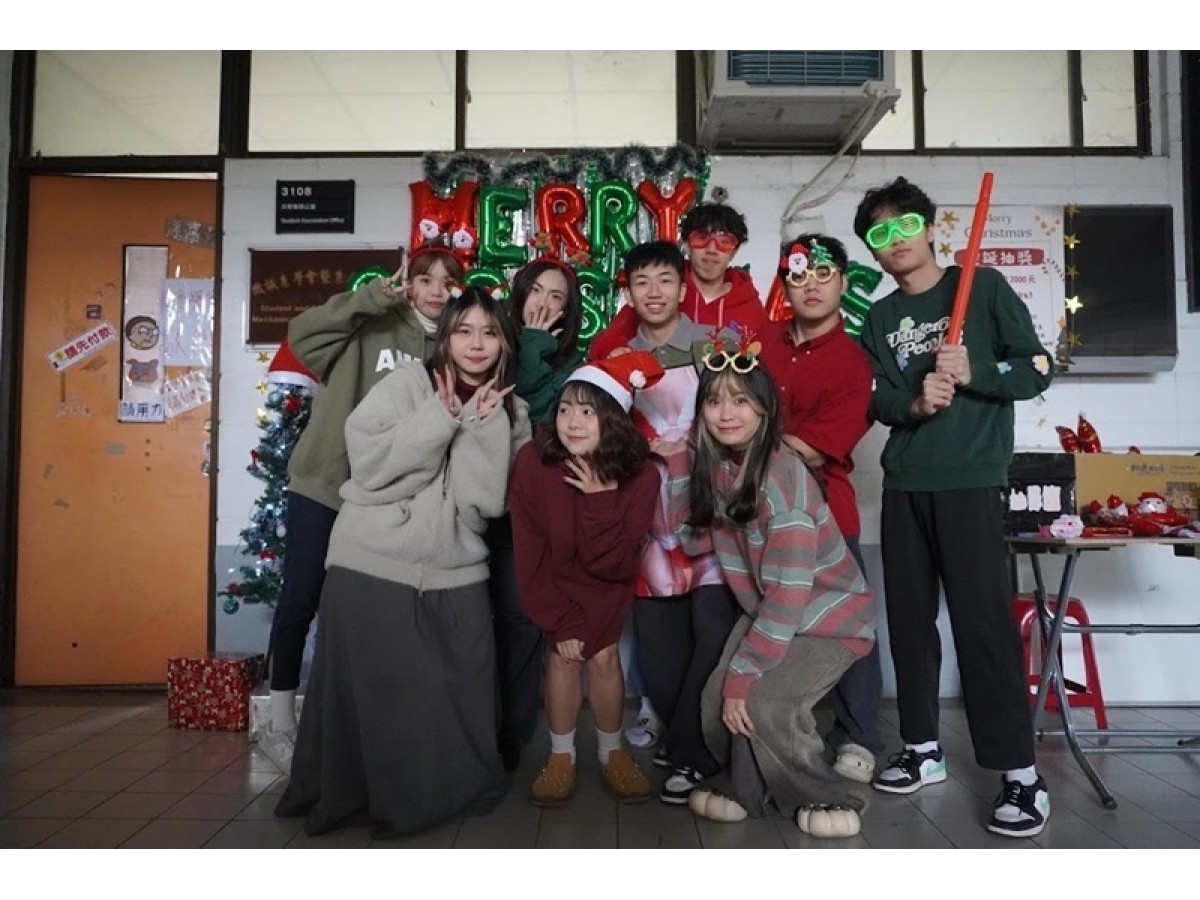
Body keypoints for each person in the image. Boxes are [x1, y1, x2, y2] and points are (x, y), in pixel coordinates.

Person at [274, 288, 531, 838]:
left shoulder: (513, 412)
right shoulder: (405, 384)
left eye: (490, 332)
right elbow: (371, 469)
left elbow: (482, 505)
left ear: (505, 342)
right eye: (464, 331)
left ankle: (443, 792)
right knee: (374, 695)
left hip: (456, 568)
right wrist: (440, 419)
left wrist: (481, 428)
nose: (477, 344)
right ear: (446, 336)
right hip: (370, 561)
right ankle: (353, 796)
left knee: (456, 686)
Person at [854, 176, 1055, 838]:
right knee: (909, 625)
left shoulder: (984, 288)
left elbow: (1038, 368)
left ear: (929, 227)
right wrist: (913, 403)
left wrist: (978, 374)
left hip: (970, 479)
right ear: (873, 250)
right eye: (880, 233)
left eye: (904, 225)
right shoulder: (880, 318)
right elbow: (874, 398)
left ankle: (1021, 775)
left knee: (982, 626)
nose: (895, 240)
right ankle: (921, 748)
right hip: (906, 481)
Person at [260, 246, 464, 774]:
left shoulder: (457, 347)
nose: (436, 290)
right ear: (409, 284)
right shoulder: (369, 323)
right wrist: (369, 298)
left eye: (447, 281)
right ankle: (278, 722)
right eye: (425, 279)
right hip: (327, 483)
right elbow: (302, 337)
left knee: (368, 612)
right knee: (300, 598)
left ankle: (360, 725)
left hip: (388, 500)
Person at [661, 347, 877, 838]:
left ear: (764, 408)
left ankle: (817, 790)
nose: (726, 413)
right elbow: (693, 542)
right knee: (716, 697)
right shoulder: (721, 468)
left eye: (741, 400)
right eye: (714, 401)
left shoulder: (783, 481)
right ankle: (745, 784)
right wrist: (678, 467)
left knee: (762, 701)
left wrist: (744, 676)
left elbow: (788, 600)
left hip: (828, 623)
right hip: (773, 613)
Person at [591, 240, 741, 806]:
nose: (654, 292)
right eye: (642, 282)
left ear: (683, 286)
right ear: (628, 291)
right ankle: (684, 741)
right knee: (657, 649)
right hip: (649, 518)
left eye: (665, 280)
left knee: (712, 637)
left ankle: (695, 752)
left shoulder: (717, 347)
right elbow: (598, 437)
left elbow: (745, 419)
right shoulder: (613, 359)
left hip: (710, 513)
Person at [509, 351, 664, 807]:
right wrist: (559, 619)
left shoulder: (641, 475)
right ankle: (561, 757)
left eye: (587, 412)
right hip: (552, 583)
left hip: (606, 586)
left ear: (612, 418)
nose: (572, 423)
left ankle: (611, 753)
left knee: (603, 656)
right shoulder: (533, 463)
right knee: (562, 655)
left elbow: (617, 566)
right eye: (564, 409)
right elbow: (529, 552)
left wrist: (601, 500)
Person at [757, 234, 883, 784]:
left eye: (823, 275)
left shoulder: (853, 363)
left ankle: (860, 736)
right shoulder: (759, 342)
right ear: (785, 285)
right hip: (756, 515)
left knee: (848, 625)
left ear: (843, 283)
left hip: (826, 515)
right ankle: (763, 727)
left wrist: (742, 444)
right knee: (760, 619)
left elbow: (811, 448)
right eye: (799, 275)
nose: (811, 286)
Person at [487, 258, 586, 771]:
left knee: (519, 624)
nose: (544, 303)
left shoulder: (573, 365)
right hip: (476, 507)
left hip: (525, 517)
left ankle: (510, 737)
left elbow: (535, 404)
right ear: (520, 293)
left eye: (557, 297)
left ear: (568, 311)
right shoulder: (489, 344)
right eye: (537, 291)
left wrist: (534, 342)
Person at [587, 202, 766, 362]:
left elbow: (766, 362)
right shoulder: (663, 292)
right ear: (686, 244)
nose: (712, 249)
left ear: (734, 251)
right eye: (701, 239)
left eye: (724, 242)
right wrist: (615, 351)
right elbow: (608, 339)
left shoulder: (749, 305)